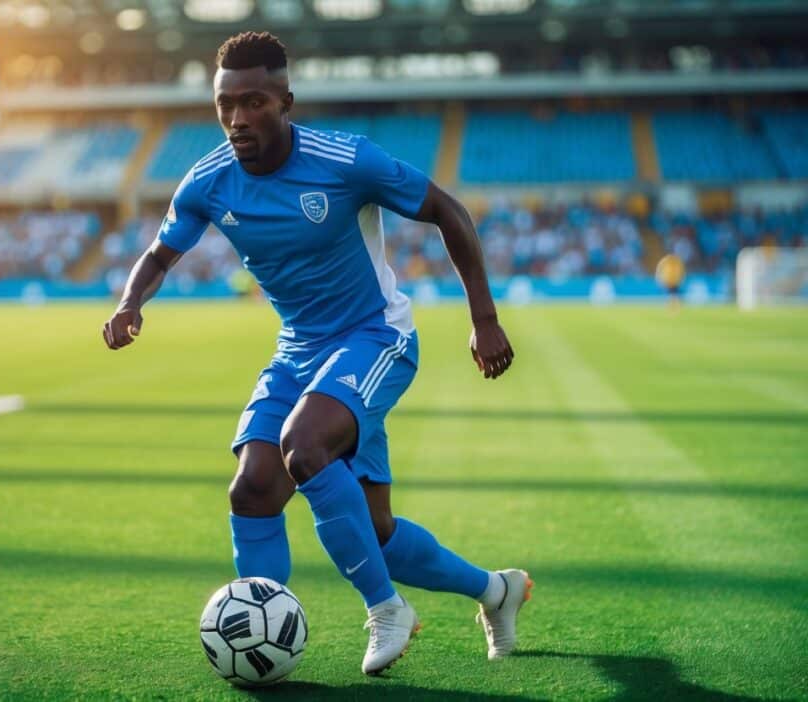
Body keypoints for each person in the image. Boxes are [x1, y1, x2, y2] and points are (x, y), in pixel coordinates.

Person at [103, 32, 532, 676]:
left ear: (286, 102)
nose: (238, 119)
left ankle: (388, 610)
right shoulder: (208, 181)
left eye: (254, 102)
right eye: (226, 105)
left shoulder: (344, 160)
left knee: (303, 448)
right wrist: (131, 303)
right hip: (300, 351)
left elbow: (447, 209)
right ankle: (496, 592)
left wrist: (485, 319)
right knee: (267, 495)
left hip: (375, 337)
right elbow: (161, 254)